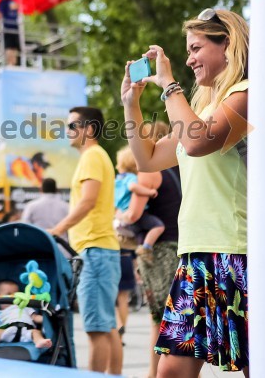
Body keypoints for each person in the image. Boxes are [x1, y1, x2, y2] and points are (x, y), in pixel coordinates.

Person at [121, 8, 249, 378]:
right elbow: (146, 159)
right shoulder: (199, 109)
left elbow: (198, 144)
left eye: (196, 48)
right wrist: (131, 103)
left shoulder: (247, 94)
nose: (189, 58)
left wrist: (169, 85)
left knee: (259, 366)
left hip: (236, 252)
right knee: (171, 371)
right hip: (194, 254)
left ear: (227, 44)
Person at [48, 107, 122, 375]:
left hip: (95, 250)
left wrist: (58, 228)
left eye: (71, 126)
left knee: (96, 329)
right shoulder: (95, 156)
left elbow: (88, 201)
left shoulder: (92, 156)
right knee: (106, 325)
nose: (66, 131)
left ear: (89, 130)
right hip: (100, 250)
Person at [119, 121, 181, 378]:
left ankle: (155, 373)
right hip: (177, 244)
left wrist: (118, 216)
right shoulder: (175, 170)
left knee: (159, 318)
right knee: (174, 315)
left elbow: (133, 214)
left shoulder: (148, 172)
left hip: (158, 250)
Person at [115, 145, 163, 264]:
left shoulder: (117, 180)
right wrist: (149, 192)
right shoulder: (130, 177)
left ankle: (141, 248)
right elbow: (133, 187)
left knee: (141, 232)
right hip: (136, 215)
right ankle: (146, 248)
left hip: (123, 214)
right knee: (158, 226)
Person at [0, 280, 52, 349]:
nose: (13, 297)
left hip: (27, 331)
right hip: (7, 331)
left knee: (36, 332)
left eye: (16, 294)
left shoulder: (26, 308)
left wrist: (46, 319)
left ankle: (39, 341)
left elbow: (35, 317)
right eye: (9, 294)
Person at [0, 0, 20, 66]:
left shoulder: (3, 3)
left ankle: (11, 64)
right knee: (13, 47)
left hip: (7, 29)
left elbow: (0, 15)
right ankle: (13, 64)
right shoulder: (13, 3)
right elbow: (17, 14)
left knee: (9, 47)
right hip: (15, 28)